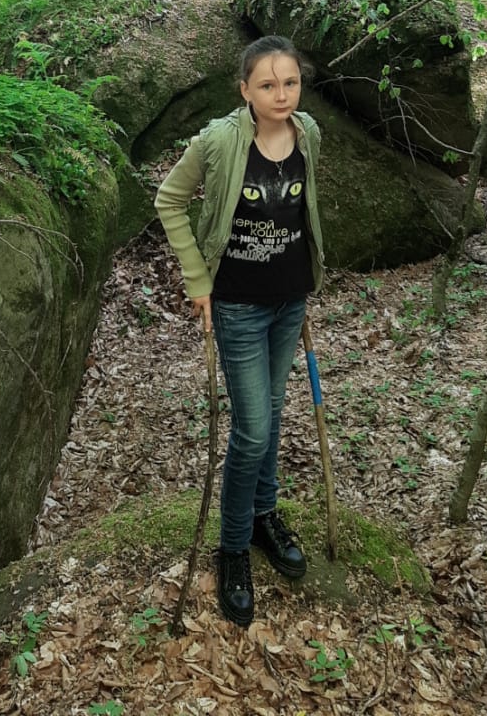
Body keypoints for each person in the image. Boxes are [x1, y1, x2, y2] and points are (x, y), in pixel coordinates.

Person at [154, 35, 325, 627]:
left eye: (291, 82)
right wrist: (196, 277)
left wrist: (308, 276)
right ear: (245, 90)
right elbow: (170, 200)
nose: (282, 94)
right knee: (252, 430)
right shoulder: (219, 141)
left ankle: (262, 517)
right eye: (268, 84)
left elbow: (305, 211)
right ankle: (232, 547)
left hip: (289, 302)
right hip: (238, 307)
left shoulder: (308, 134)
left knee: (271, 416)